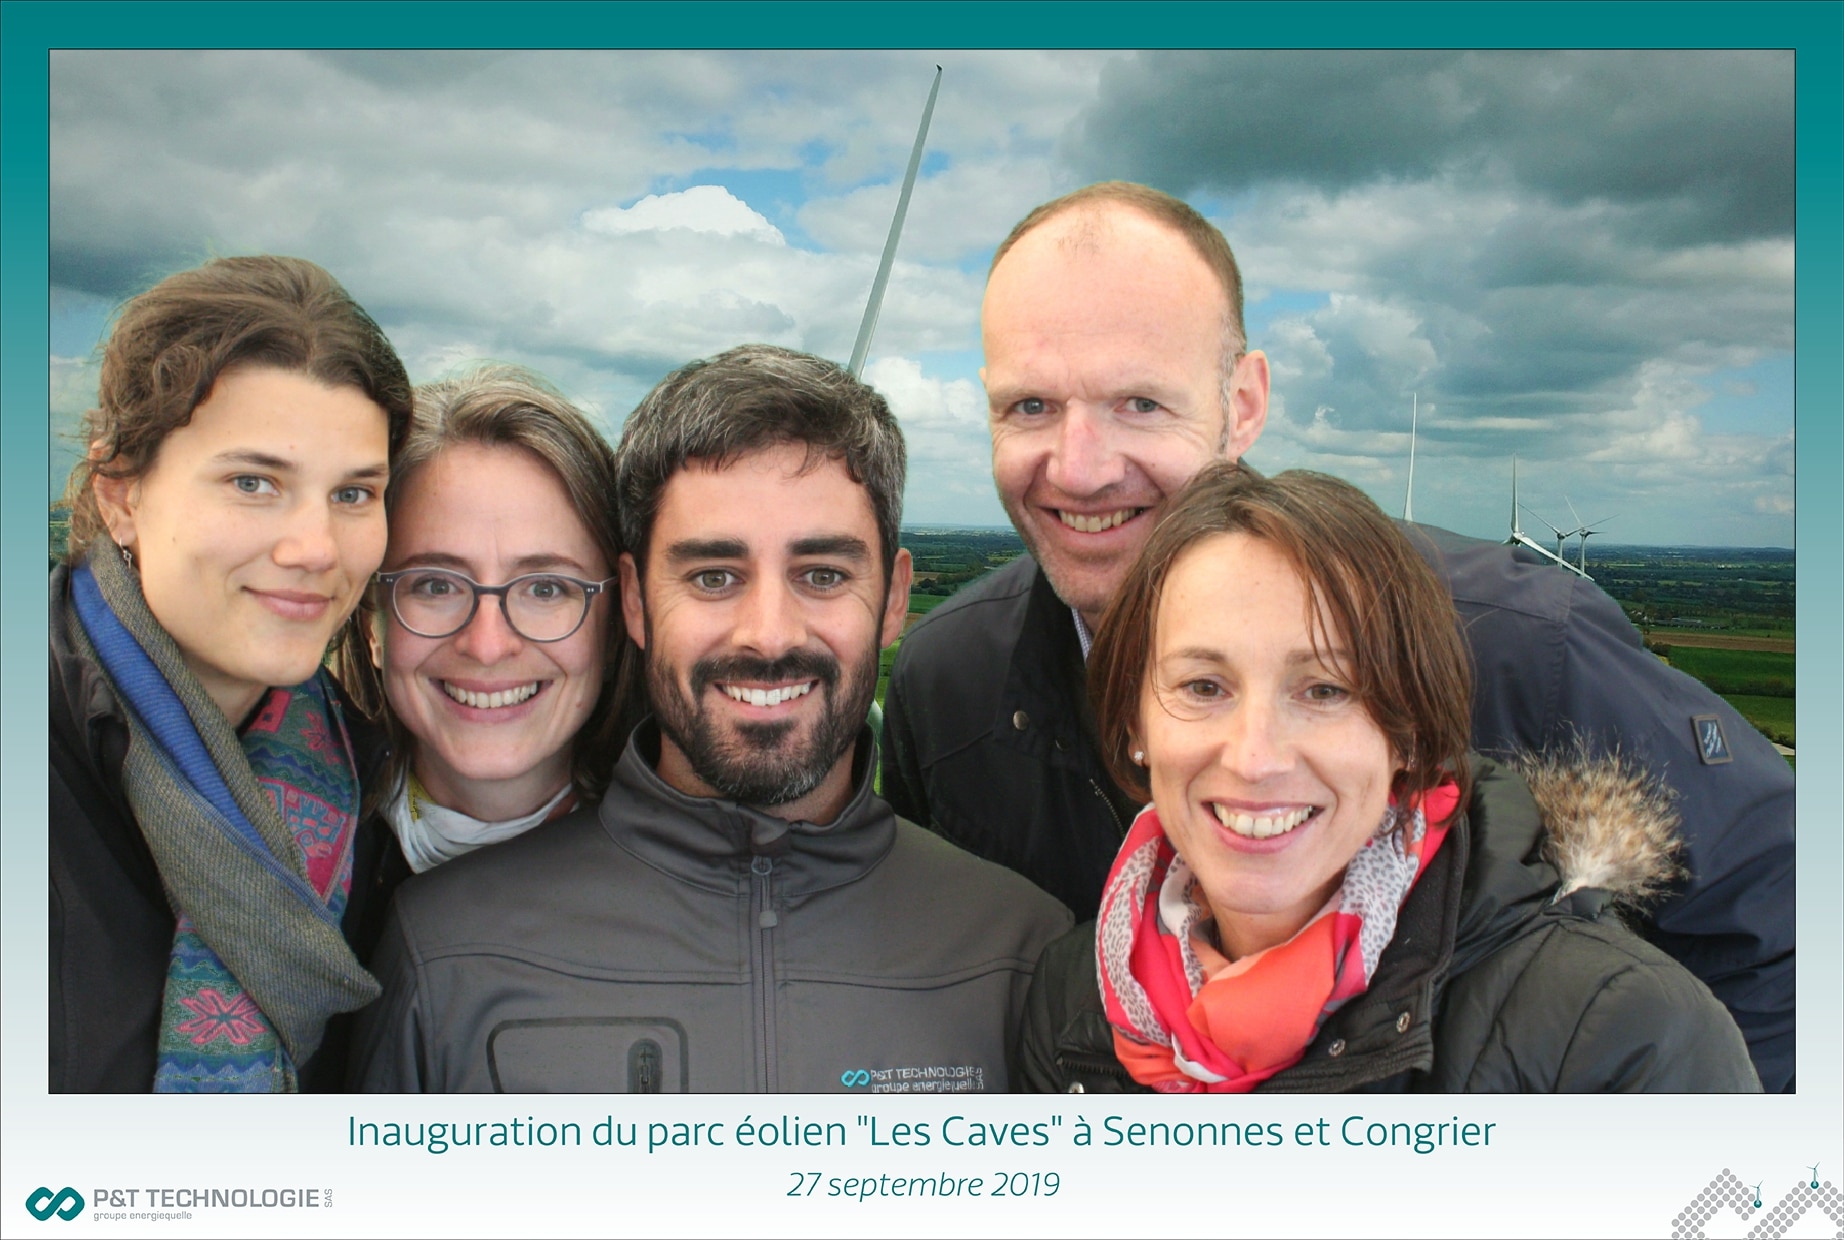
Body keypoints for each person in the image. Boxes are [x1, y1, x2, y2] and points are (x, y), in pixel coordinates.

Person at [880, 182, 1796, 1090]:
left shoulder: (1519, 647)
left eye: (1139, 404)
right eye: (1030, 407)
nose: (1078, 468)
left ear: (1242, 403)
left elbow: (1789, 927)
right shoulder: (951, 681)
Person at [353, 344, 1070, 1092]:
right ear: (633, 601)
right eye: (713, 577)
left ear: (893, 599)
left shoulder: (1021, 953)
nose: (769, 632)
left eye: (822, 575)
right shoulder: (441, 951)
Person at [1020, 463, 1758, 1093]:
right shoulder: (1071, 1000)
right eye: (1203, 686)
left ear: (1407, 732)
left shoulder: (1623, 1040)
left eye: (1325, 691)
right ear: (1133, 726)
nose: (1255, 757)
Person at [49, 255, 413, 1092]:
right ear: (121, 496)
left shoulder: (358, 784)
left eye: (355, 494)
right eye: (254, 482)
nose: (315, 548)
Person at [333, 364, 628, 880]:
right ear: (371, 624)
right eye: (436, 585)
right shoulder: (263, 848)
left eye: (545, 588)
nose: (487, 645)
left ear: (614, 629)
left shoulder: (708, 876)